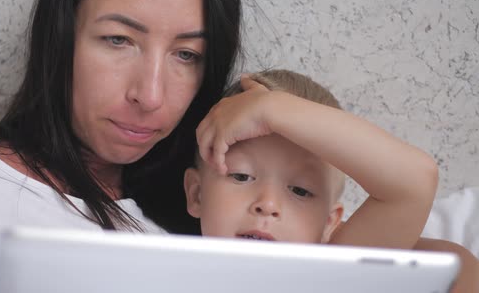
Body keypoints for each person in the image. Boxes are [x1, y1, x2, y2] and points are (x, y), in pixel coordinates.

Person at [0, 0, 242, 292]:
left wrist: (285, 112)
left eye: (187, 54)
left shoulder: (168, 258)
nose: (149, 96)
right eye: (118, 39)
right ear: (61, 34)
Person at [184, 69, 478, 291]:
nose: (268, 204)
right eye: (242, 176)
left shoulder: (332, 278)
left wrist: (270, 109)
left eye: (300, 191)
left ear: (329, 223)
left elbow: (415, 181)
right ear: (196, 194)